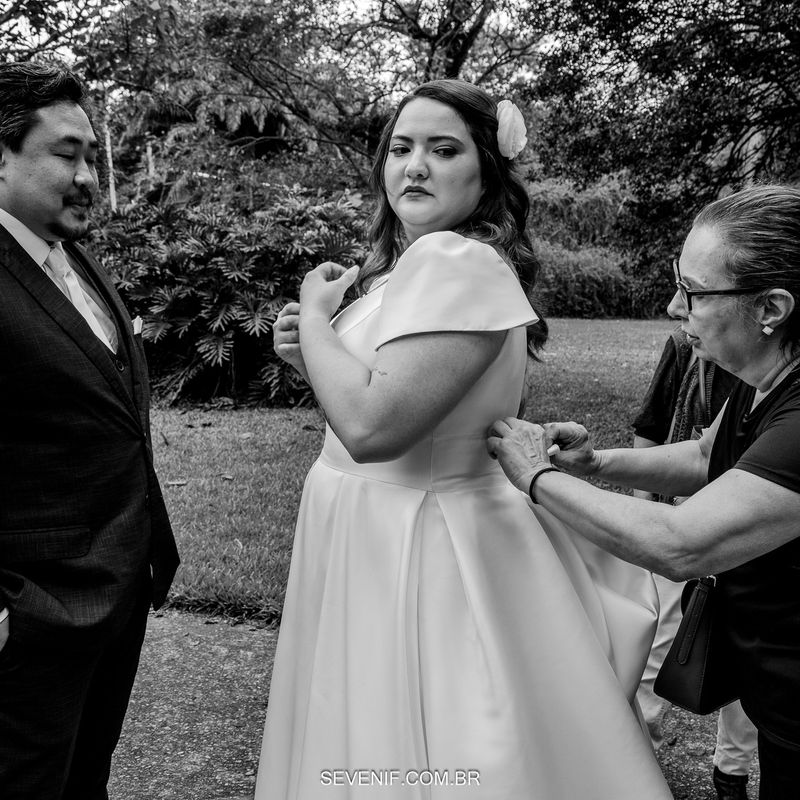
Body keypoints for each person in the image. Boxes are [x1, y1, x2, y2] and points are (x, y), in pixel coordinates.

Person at [258, 79, 672, 798]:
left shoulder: (457, 261)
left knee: (432, 732)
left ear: (486, 172)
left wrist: (318, 318)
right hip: (374, 524)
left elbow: (372, 428)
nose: (414, 166)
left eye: (444, 150)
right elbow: (401, 397)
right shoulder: (412, 267)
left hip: (418, 539)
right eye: (400, 148)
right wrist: (312, 358)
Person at [488, 184, 800, 800]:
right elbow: (707, 457)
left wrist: (537, 478)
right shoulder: (763, 376)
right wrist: (595, 462)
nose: (673, 306)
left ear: (771, 307)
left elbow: (682, 543)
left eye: (695, 292)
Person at [0, 61, 179, 799]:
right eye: (65, 154)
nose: (87, 178)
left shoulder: (71, 258)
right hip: (32, 614)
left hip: (117, 590)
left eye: (90, 156)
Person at [633, 329, 757, 800]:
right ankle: (635, 752)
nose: (677, 307)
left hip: (755, 526)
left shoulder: (778, 372)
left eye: (691, 295)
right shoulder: (686, 348)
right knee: (657, 641)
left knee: (750, 653)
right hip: (684, 518)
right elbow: (656, 426)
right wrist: (645, 509)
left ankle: (731, 774)